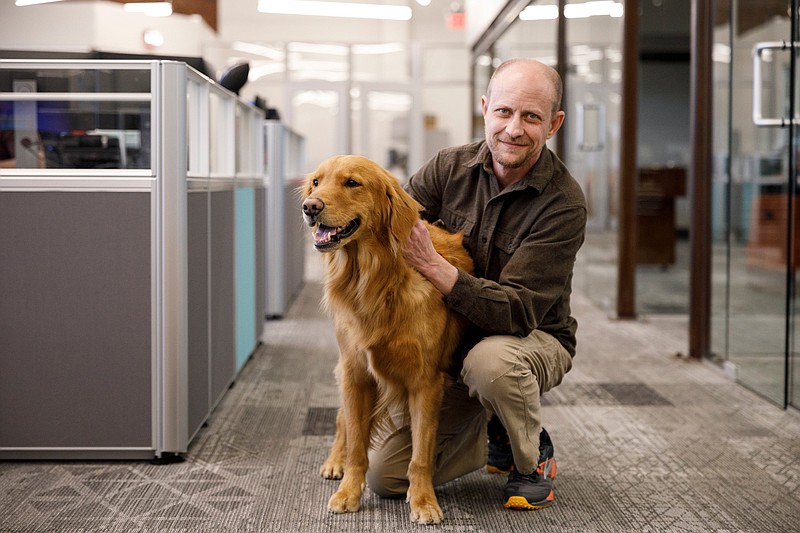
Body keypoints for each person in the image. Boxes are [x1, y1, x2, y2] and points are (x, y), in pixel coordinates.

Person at [365, 58, 587, 511]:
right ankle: (495, 432)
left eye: (531, 116)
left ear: (554, 124)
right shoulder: (449, 167)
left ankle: (531, 460)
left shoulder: (563, 202)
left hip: (529, 338)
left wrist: (437, 268)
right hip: (452, 342)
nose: (513, 128)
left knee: (493, 364)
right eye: (504, 112)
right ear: (484, 108)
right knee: (384, 478)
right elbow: (393, 224)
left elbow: (518, 311)